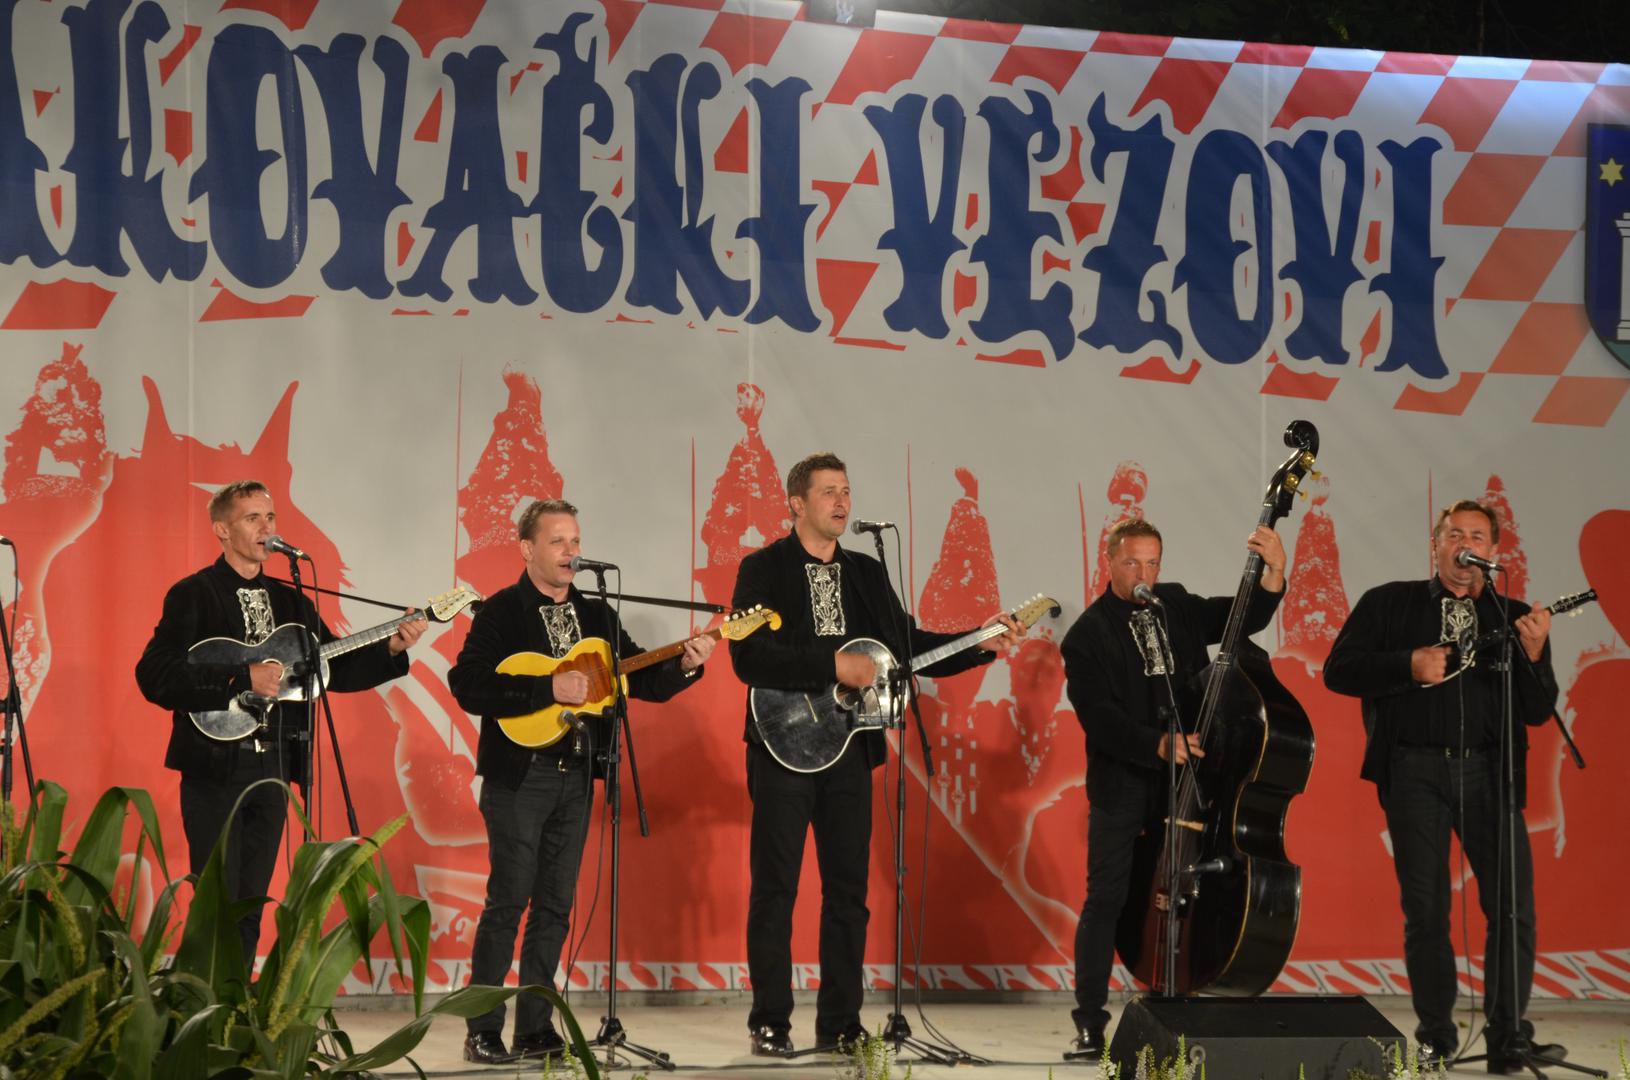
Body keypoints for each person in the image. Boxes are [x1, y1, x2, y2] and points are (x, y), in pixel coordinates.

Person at [728, 452, 1021, 1057]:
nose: (841, 501)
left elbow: (909, 645)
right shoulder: (764, 568)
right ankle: (770, 1021)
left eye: (846, 490)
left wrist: (980, 642)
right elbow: (747, 657)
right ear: (797, 503)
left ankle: (840, 1022)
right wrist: (832, 664)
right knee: (776, 889)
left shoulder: (864, 571)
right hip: (782, 747)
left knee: (848, 892)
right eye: (828, 491)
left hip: (849, 747)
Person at [449, 498, 715, 1066]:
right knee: (507, 902)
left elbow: (641, 677)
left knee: (554, 906)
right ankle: (482, 1029)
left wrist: (687, 663)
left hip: (577, 775)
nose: (571, 551)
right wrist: (547, 689)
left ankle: (535, 1029)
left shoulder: (596, 614)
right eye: (558, 541)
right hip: (520, 778)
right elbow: (467, 683)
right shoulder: (501, 612)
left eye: (575, 541)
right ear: (527, 549)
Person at [135, 480, 424, 967]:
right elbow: (155, 674)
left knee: (253, 901)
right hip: (214, 767)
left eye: (269, 517)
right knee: (216, 902)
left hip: (274, 765)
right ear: (222, 530)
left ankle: (240, 1003)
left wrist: (392, 648)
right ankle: (206, 1002)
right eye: (253, 518)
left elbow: (333, 669)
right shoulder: (193, 595)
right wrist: (238, 678)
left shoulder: (292, 601)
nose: (266, 528)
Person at [1324, 500, 1565, 1072]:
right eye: (1454, 533)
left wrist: (1534, 655)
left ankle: (1507, 1038)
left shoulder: (1514, 615)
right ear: (1435, 545)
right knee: (1426, 911)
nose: (1465, 544)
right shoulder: (1389, 602)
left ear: (1493, 552)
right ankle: (1435, 1035)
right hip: (1414, 772)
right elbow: (1339, 670)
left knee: (1512, 909)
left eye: (1477, 536)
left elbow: (1538, 711)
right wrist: (1407, 666)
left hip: (1490, 772)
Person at [1060, 517, 1286, 1059]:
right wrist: (1157, 744)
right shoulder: (1086, 635)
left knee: (1193, 891)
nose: (1144, 575)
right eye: (1132, 563)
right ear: (1109, 563)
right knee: (1108, 897)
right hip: (1124, 784)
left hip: (1189, 781)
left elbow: (1242, 617)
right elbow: (1098, 717)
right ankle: (1090, 1021)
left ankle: (1184, 999)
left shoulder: (1175, 604)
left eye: (1152, 563)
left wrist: (1274, 572)